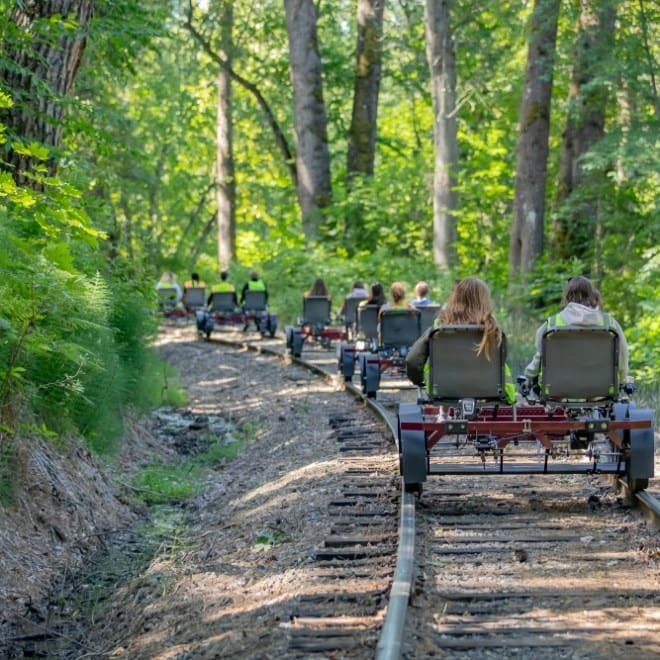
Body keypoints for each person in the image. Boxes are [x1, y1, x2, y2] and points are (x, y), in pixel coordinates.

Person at [406, 277, 516, 404]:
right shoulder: (494, 331)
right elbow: (502, 361)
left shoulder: (439, 328)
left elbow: (412, 360)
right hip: (490, 391)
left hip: (444, 389)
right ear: (485, 301)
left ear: (456, 298)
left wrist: (420, 381)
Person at [524, 275, 629, 385]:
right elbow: (622, 356)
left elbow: (539, 357)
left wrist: (529, 376)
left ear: (567, 295)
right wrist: (622, 380)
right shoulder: (610, 324)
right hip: (601, 388)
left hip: (559, 389)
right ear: (591, 294)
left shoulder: (551, 324)